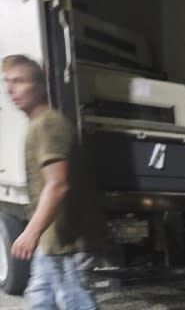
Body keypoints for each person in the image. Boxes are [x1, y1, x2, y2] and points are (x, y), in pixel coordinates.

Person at [3, 54, 104, 309]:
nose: (10, 89)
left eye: (19, 81)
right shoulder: (38, 124)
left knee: (74, 302)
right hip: (52, 242)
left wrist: (30, 232)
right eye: (7, 82)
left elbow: (58, 184)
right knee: (40, 301)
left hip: (67, 242)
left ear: (39, 85)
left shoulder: (49, 124)